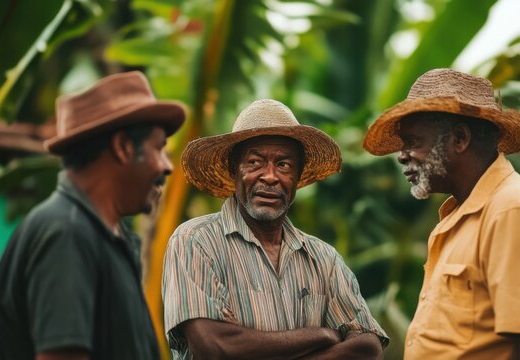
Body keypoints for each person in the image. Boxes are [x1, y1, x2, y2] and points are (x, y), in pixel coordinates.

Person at [363, 68, 520, 359]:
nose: (401, 154)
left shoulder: (513, 211)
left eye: (413, 141)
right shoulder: (457, 217)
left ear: (459, 139)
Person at [162, 99, 388, 360]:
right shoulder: (196, 241)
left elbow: (368, 347)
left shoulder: (323, 258)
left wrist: (248, 343)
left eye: (283, 165)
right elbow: (215, 347)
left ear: (298, 177)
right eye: (255, 162)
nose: (270, 176)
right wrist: (321, 335)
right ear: (234, 170)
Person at [0, 71, 186, 360]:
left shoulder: (105, 236)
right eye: (158, 149)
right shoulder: (66, 234)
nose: (167, 167)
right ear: (123, 147)